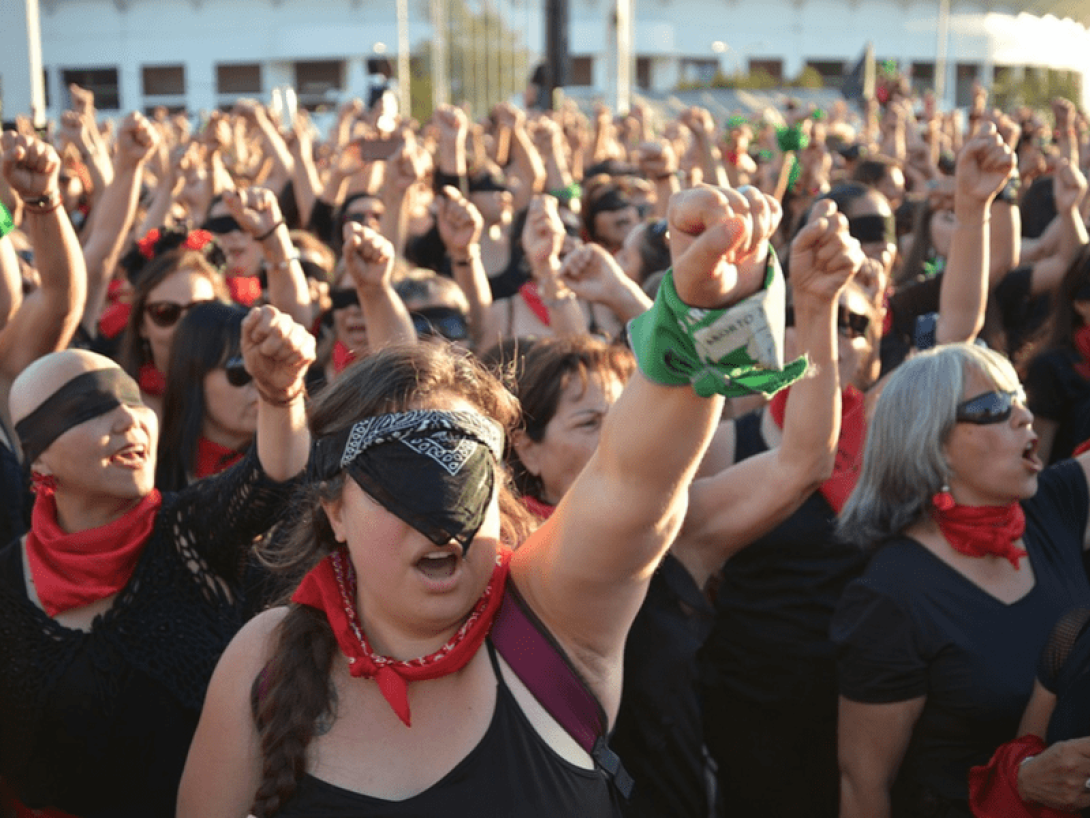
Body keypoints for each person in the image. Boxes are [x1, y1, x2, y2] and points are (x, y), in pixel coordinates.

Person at [176, 185, 806, 816]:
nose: (442, 523)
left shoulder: (554, 622)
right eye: (403, 488)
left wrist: (702, 306)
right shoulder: (265, 660)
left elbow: (633, 480)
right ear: (335, 511)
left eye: (462, 482)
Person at [0, 305, 314, 817]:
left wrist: (280, 394)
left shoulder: (191, 531)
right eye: (88, 409)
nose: (128, 418)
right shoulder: (8, 587)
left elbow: (274, 480)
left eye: (130, 398)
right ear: (39, 460)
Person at [832, 343, 1090, 818]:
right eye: (993, 407)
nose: (1024, 416)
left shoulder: (1055, 507)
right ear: (931, 442)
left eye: (1020, 398)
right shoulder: (889, 596)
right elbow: (864, 787)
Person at [156, 302, 257, 490]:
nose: (261, 382)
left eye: (267, 365)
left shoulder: (300, 465)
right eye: (240, 369)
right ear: (193, 376)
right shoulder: (147, 474)